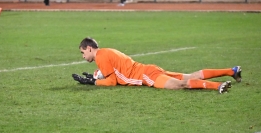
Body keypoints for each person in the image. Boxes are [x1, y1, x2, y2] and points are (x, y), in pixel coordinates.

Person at [72, 37, 242, 94]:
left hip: (146, 75)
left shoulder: (100, 56)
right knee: (190, 77)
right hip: (149, 69)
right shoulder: (105, 52)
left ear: (89, 48)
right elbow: (111, 73)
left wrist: (93, 82)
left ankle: (218, 86)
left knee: (178, 85)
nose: (83, 56)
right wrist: (96, 76)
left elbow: (112, 81)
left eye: (82, 52)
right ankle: (231, 71)